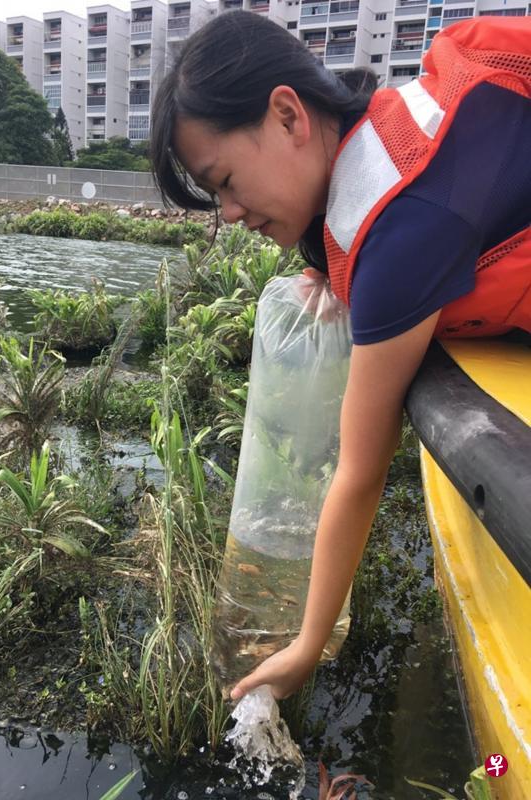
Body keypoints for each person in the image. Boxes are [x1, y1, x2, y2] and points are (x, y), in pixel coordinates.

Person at [150, 11, 531, 701]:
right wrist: (329, 265)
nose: (229, 212)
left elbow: (357, 474)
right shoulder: (381, 156)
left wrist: (306, 644)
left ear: (289, 114)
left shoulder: (401, 232)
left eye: (227, 179)